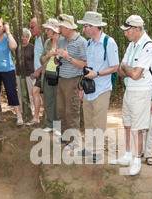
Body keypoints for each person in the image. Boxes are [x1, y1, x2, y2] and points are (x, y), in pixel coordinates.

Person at [109, 15, 152, 176]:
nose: (125, 34)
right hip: (129, 90)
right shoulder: (132, 45)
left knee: (137, 128)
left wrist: (128, 69)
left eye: (127, 31)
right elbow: (121, 70)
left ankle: (137, 160)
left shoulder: (148, 46)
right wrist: (128, 69)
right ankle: (128, 155)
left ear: (136, 29)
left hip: (142, 92)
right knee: (128, 124)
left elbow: (135, 73)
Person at [77, 11, 119, 163]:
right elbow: (87, 67)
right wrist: (81, 88)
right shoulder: (89, 43)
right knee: (88, 118)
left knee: (98, 120)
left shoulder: (109, 42)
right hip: (89, 88)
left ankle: (98, 151)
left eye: (86, 26)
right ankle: (89, 148)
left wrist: (98, 73)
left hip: (102, 87)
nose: (84, 30)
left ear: (94, 26)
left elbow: (115, 66)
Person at [55, 14, 87, 151]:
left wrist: (68, 58)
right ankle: (66, 136)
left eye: (61, 27)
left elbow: (85, 64)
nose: (59, 29)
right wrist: (58, 58)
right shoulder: (61, 41)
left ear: (68, 27)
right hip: (61, 80)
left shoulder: (82, 42)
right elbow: (58, 60)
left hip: (74, 81)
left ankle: (75, 141)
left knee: (71, 111)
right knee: (61, 110)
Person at [39, 18, 62, 137]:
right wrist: (49, 54)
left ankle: (58, 126)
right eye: (46, 29)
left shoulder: (63, 41)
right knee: (48, 99)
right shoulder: (48, 42)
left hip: (60, 76)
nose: (46, 31)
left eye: (48, 29)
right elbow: (41, 60)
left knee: (58, 101)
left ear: (54, 30)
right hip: (47, 74)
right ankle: (50, 124)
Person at [28, 18, 44, 125]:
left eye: (32, 27)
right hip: (39, 73)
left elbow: (49, 58)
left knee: (35, 91)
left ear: (39, 27)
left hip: (44, 72)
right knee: (42, 95)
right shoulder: (37, 39)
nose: (30, 29)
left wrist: (38, 70)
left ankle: (36, 117)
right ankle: (42, 117)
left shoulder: (44, 39)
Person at [16, 28, 36, 117]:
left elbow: (35, 61)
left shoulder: (32, 47)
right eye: (23, 36)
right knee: (20, 92)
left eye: (26, 37)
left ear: (29, 38)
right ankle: (21, 110)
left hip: (30, 74)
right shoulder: (17, 47)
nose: (24, 39)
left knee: (31, 93)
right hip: (19, 73)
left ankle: (32, 111)